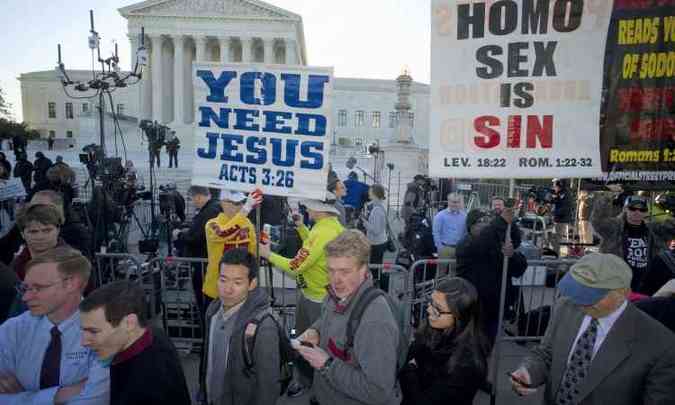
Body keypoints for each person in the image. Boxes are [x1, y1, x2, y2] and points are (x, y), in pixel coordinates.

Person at [510, 253, 675, 404]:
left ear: (622, 293)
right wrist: (529, 372)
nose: (580, 302)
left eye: (591, 295)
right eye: (577, 291)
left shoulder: (662, 345)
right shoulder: (565, 306)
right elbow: (545, 353)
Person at [295, 230, 401, 405]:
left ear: (364, 269)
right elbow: (327, 317)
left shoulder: (375, 321)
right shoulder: (337, 293)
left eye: (345, 271)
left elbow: (378, 392)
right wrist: (315, 330)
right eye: (331, 270)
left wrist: (326, 364)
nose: (336, 280)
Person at [260, 192, 344, 397]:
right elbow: (315, 249)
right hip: (316, 295)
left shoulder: (322, 232)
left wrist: (268, 255)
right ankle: (309, 382)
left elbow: (296, 265)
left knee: (310, 343)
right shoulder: (331, 226)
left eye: (308, 206)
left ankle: (314, 386)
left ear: (318, 209)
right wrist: (301, 227)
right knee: (309, 341)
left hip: (316, 299)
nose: (306, 209)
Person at [0, 247, 110, 404]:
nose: (25, 297)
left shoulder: (106, 330)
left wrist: (22, 397)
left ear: (72, 284)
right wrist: (59, 395)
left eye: (38, 288)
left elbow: (95, 399)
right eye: (25, 288)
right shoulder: (14, 329)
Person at [80, 280, 191, 405]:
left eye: (93, 332)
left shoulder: (147, 387)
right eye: (83, 330)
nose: (83, 342)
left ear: (129, 323)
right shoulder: (151, 335)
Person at [201, 248, 282, 405]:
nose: (228, 289)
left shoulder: (264, 327)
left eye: (237, 282)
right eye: (223, 280)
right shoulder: (212, 311)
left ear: (252, 284)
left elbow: (268, 385)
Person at [399, 277, 490, 405]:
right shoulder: (432, 328)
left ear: (459, 316)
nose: (429, 310)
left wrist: (410, 369)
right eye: (430, 303)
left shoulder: (467, 364)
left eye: (438, 309)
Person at [456, 206, 527, 344]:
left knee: (488, 345)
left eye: (487, 221)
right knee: (470, 346)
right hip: (472, 307)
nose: (484, 224)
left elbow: (519, 268)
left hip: (493, 308)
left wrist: (511, 254)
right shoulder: (466, 245)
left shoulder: (494, 244)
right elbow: (481, 243)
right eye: (479, 221)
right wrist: (500, 221)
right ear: (470, 226)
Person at [591, 191, 675, 291]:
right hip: (616, 282)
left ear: (646, 212)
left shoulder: (653, 229)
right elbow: (598, 221)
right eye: (632, 208)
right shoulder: (614, 227)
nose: (637, 212)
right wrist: (607, 197)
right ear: (625, 209)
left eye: (641, 209)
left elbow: (671, 227)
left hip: (645, 284)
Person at [203, 189, 261, 311]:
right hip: (217, 290)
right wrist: (245, 210)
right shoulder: (212, 224)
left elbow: (252, 252)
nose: (240, 207)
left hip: (242, 289)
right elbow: (223, 233)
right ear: (223, 203)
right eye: (235, 203)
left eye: (241, 203)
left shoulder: (247, 223)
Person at [175, 186, 221, 315]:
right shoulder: (214, 207)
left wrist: (179, 235)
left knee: (203, 296)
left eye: (192, 199)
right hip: (206, 260)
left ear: (198, 196)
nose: (193, 203)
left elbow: (195, 237)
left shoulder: (209, 211)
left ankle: (204, 320)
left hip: (203, 262)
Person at [432, 192, 467, 274]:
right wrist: (440, 247)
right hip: (445, 248)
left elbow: (465, 232)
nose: (455, 204)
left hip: (459, 248)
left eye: (457, 202)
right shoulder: (440, 216)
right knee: (441, 273)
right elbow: (436, 233)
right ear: (448, 202)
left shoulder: (464, 216)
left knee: (455, 273)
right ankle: (440, 287)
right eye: (453, 202)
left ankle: (453, 287)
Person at [361, 184, 388, 268]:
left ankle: (376, 280)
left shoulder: (377, 210)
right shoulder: (380, 205)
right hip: (380, 241)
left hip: (377, 243)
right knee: (377, 265)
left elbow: (376, 231)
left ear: (375, 193)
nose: (368, 193)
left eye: (370, 191)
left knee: (375, 267)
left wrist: (365, 223)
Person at [550, 179, 573, 255]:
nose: (554, 188)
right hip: (559, 219)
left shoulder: (565, 194)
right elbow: (557, 202)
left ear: (559, 186)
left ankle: (556, 256)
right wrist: (554, 198)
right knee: (554, 238)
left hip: (561, 220)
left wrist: (553, 212)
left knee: (556, 239)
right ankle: (555, 253)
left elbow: (564, 208)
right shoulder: (561, 193)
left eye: (555, 186)